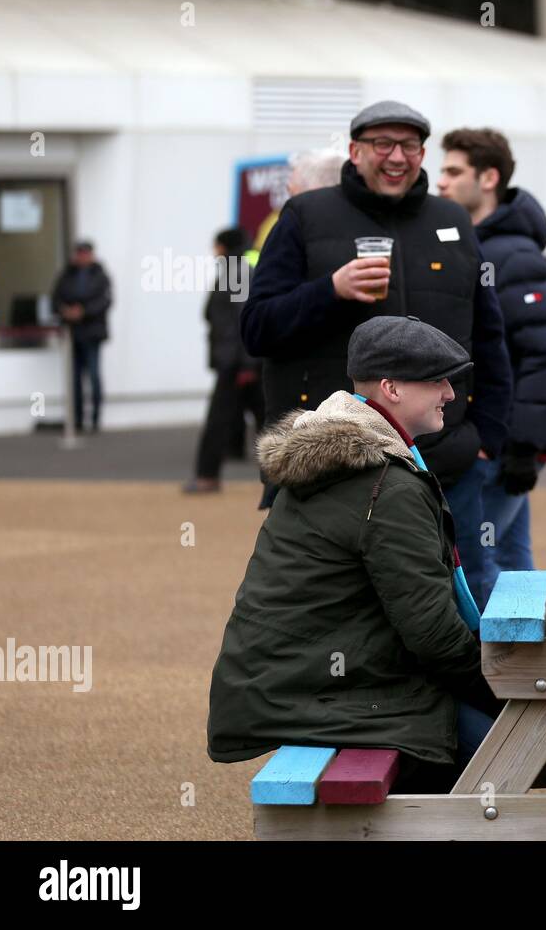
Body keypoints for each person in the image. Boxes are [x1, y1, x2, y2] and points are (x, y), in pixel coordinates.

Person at [239, 99, 513, 611]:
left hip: (447, 462)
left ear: (423, 153)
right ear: (354, 151)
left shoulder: (452, 219)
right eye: (381, 144)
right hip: (335, 467)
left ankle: (472, 697)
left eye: (409, 145)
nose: (396, 157)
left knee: (464, 607)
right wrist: (330, 290)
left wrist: (485, 439)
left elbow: (490, 338)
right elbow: (257, 329)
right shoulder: (304, 215)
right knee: (339, 613)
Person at [207, 316, 499, 793]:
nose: (450, 393)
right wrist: (503, 690)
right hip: (321, 693)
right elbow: (432, 632)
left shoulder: (349, 454)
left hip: (297, 678)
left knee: (492, 739)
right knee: (501, 753)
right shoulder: (386, 482)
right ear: (391, 388)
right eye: (438, 380)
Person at [438, 127, 546, 575]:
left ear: (488, 178)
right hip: (496, 439)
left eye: (454, 171)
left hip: (502, 442)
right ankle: (522, 647)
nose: (441, 181)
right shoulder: (467, 245)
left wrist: (523, 446)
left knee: (473, 564)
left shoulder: (514, 254)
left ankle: (491, 649)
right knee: (512, 565)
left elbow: (545, 354)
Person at [184, 228, 265, 494]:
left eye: (216, 245)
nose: (213, 250)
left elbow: (244, 318)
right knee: (268, 421)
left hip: (236, 363)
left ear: (224, 246)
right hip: (237, 361)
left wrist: (247, 364)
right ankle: (286, 479)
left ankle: (207, 476)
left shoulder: (236, 272)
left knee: (219, 420)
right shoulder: (234, 269)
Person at [52, 240, 113, 433]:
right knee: (75, 379)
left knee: (94, 376)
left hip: (92, 332)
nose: (82, 257)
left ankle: (95, 419)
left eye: (85, 253)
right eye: (80, 253)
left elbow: (105, 300)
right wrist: (65, 311)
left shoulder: (100, 275)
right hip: (73, 333)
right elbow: (55, 298)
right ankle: (77, 419)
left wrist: (83, 311)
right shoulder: (67, 274)